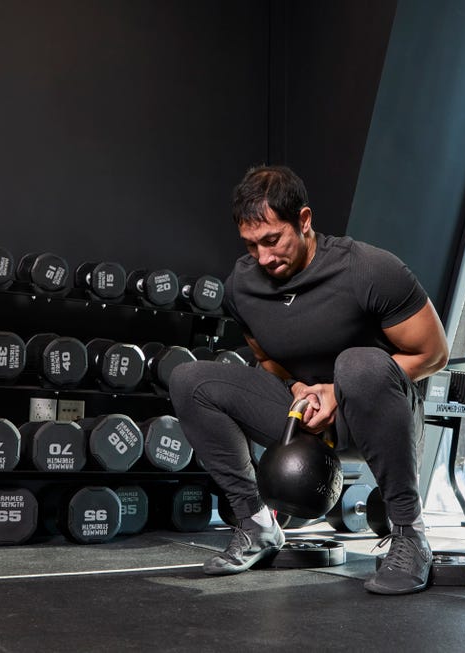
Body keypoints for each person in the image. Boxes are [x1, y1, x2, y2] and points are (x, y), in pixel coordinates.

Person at [169, 165, 450, 595]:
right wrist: (299, 389)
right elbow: (267, 359)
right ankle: (257, 525)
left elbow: (433, 354)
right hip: (305, 416)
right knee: (190, 379)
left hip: (378, 408)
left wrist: (337, 391)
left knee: (359, 364)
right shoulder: (241, 287)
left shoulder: (370, 269)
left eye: (272, 240)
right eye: (250, 244)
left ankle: (410, 533)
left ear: (303, 220)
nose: (263, 257)